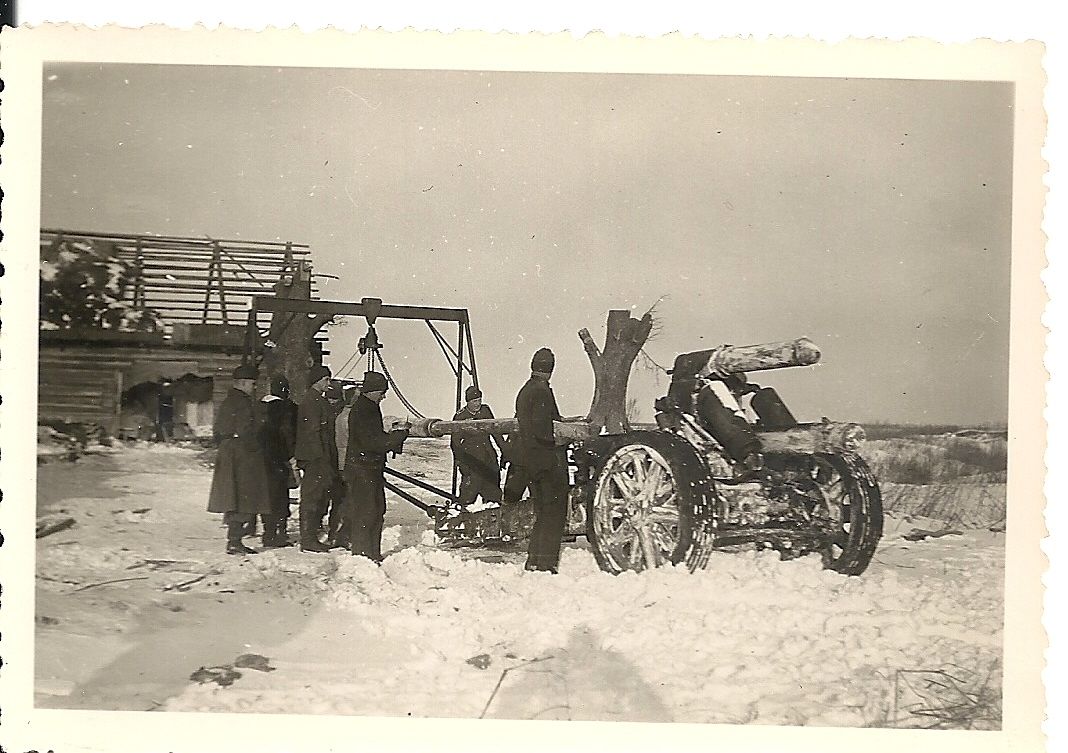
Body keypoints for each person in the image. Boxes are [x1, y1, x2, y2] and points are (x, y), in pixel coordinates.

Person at [510, 347, 570, 573]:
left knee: (543, 512)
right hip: (546, 462)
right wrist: (564, 437)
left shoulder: (526, 390)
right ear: (550, 369)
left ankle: (534, 560)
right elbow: (543, 430)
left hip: (531, 462)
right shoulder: (541, 392)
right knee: (554, 513)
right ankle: (545, 563)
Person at [206, 363, 272, 555]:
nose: (254, 387)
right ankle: (234, 541)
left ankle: (234, 539)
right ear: (243, 383)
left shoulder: (228, 401)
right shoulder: (243, 402)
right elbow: (246, 430)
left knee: (233, 496)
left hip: (229, 452)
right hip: (243, 455)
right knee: (244, 497)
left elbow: (218, 431)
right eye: (252, 383)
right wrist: (257, 444)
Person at [345, 371, 409, 562]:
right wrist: (399, 436)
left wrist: (392, 437)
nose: (383, 396)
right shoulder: (365, 410)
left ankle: (370, 553)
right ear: (372, 391)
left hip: (367, 468)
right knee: (368, 511)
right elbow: (373, 442)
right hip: (364, 469)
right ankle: (363, 554)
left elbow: (374, 438)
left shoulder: (367, 407)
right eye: (382, 392)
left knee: (375, 509)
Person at [293, 364, 337, 552]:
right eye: (326, 379)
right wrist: (320, 458)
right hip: (315, 457)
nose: (329, 383)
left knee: (317, 496)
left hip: (317, 456)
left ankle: (310, 536)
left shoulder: (317, 399)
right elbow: (312, 432)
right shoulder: (312, 401)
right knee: (311, 497)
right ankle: (308, 539)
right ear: (317, 381)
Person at [450, 385, 506, 509]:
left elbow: (495, 432)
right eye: (474, 401)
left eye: (479, 400)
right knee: (468, 494)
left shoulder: (485, 410)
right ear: (468, 402)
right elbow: (455, 444)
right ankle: (461, 515)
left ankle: (493, 513)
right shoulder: (460, 416)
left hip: (489, 458)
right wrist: (463, 466)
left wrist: (505, 451)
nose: (477, 404)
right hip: (472, 461)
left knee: (493, 494)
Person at [259, 374, 298, 548]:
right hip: (279, 457)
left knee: (267, 496)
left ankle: (268, 533)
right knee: (281, 497)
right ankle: (280, 533)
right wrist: (291, 455)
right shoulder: (286, 408)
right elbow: (287, 433)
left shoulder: (260, 405)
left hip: (261, 458)